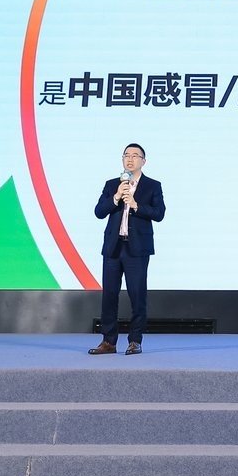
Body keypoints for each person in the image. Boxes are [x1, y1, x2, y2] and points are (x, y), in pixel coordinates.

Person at [89, 142, 165, 356]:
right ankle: (108, 341)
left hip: (137, 249)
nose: (130, 159)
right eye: (126, 155)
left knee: (137, 296)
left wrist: (136, 205)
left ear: (143, 161)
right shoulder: (112, 184)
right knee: (109, 296)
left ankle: (135, 341)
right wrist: (115, 197)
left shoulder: (152, 186)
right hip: (113, 248)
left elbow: (159, 213)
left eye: (134, 156)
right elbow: (99, 211)